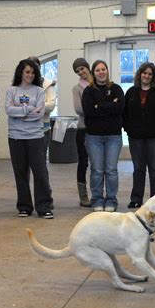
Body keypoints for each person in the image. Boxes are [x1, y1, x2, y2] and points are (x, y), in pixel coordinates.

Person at [6, 59, 54, 219]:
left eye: (33, 72)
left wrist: (20, 111)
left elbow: (40, 114)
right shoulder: (11, 90)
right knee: (20, 173)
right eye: (27, 72)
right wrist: (29, 110)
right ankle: (24, 206)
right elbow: (8, 110)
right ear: (21, 72)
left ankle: (44, 206)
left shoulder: (39, 91)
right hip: (16, 137)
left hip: (35, 137)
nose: (30, 75)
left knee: (40, 172)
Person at [123, 62, 155, 209]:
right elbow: (124, 113)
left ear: (153, 76)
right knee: (138, 169)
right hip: (135, 137)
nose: (147, 76)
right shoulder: (131, 92)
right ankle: (136, 198)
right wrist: (128, 128)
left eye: (150, 74)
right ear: (140, 74)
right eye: (144, 73)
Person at [81, 60, 124, 212]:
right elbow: (89, 111)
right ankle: (97, 199)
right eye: (98, 70)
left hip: (113, 137)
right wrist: (109, 105)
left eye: (103, 69)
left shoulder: (117, 89)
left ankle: (111, 200)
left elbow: (120, 108)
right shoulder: (88, 91)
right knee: (97, 170)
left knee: (111, 170)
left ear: (107, 71)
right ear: (94, 73)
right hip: (94, 137)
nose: (101, 72)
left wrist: (99, 106)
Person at [71, 58, 92, 207]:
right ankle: (83, 196)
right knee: (83, 163)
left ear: (88, 68)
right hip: (83, 129)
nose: (81, 72)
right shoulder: (77, 88)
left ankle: (98, 193)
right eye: (77, 71)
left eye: (82, 68)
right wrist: (98, 107)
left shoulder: (98, 83)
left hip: (98, 129)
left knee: (98, 163)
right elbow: (79, 109)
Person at [27, 56, 56, 151]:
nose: (33, 70)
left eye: (35, 67)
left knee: (41, 160)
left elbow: (51, 106)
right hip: (26, 128)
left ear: (39, 67)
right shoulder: (22, 85)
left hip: (43, 128)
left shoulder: (48, 84)